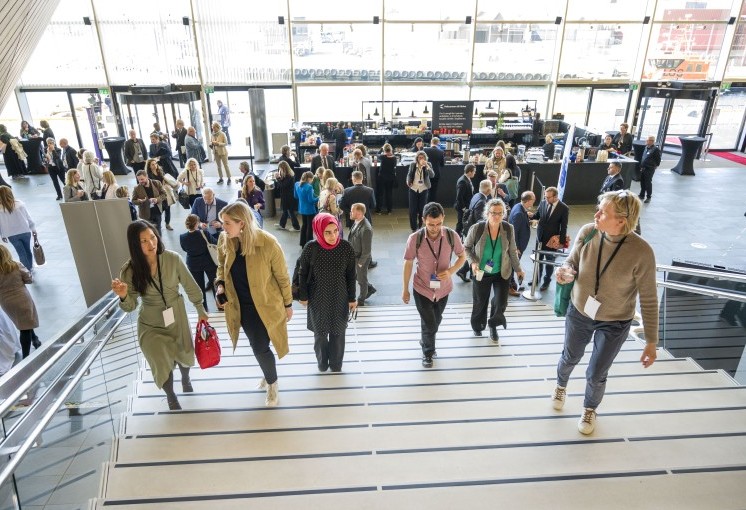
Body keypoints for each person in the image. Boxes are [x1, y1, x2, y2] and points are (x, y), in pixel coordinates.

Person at [552, 191, 658, 434]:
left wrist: (651, 341)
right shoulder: (588, 231)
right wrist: (566, 271)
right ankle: (560, 384)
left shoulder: (641, 252)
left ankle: (589, 408)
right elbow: (571, 261)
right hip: (580, 311)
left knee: (597, 372)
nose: (596, 214)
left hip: (616, 321)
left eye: (603, 212)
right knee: (570, 356)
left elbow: (650, 298)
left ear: (622, 220)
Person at [112, 220, 208, 410]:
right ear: (135, 245)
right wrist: (123, 296)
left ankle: (186, 378)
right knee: (160, 359)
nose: (151, 244)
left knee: (184, 353)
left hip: (177, 315)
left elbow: (190, 285)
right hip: (150, 323)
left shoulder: (172, 259)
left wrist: (200, 309)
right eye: (144, 241)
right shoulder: (129, 271)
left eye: (153, 237)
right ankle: (171, 396)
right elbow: (130, 306)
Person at [215, 201, 292, 405]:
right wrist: (220, 284)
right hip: (243, 307)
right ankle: (268, 373)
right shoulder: (226, 239)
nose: (223, 227)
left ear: (242, 223)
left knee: (259, 348)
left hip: (267, 304)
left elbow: (283, 277)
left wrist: (288, 304)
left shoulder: (268, 243)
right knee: (260, 346)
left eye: (227, 223)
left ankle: (272, 383)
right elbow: (221, 266)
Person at [403, 202, 466, 368]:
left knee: (435, 320)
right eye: (431, 224)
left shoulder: (452, 236)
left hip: (443, 288)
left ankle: (425, 339)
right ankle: (428, 353)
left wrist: (451, 271)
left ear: (443, 218)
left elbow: (462, 257)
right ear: (423, 219)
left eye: (439, 223)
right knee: (430, 323)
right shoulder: (414, 239)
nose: (435, 228)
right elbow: (408, 263)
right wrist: (405, 289)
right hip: (422, 288)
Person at [298, 213, 356, 372]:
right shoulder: (311, 248)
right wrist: (303, 296)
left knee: (338, 333)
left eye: (336, 231)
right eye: (328, 232)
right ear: (318, 231)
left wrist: (352, 298)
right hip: (317, 298)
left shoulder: (346, 247)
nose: (333, 236)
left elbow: (351, 275)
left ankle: (336, 364)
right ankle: (322, 363)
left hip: (340, 297)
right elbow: (302, 274)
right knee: (320, 334)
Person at [465, 198, 525, 340]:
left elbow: (512, 251)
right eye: (493, 213)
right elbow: (466, 248)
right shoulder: (477, 228)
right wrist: (473, 262)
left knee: (501, 302)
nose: (496, 216)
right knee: (480, 301)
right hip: (481, 272)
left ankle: (493, 325)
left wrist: (518, 269)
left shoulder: (508, 228)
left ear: (504, 213)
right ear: (487, 213)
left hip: (501, 272)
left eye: (500, 213)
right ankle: (478, 326)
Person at [0, 245, 39, 358]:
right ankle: (26, 357)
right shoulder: (16, 265)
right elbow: (29, 279)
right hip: (22, 299)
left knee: (23, 322)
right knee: (24, 328)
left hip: (6, 303)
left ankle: (35, 338)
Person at [456, 179, 493, 282]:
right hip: (475, 231)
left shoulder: (477, 195)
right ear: (489, 190)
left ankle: (464, 271)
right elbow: (479, 219)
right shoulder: (482, 201)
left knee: (473, 252)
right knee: (475, 253)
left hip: (469, 228)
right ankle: (470, 273)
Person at [533, 186, 569, 291]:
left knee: (549, 262)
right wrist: (530, 216)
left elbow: (564, 226)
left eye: (548, 197)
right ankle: (536, 279)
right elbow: (537, 215)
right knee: (538, 259)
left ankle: (546, 281)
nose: (546, 199)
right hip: (540, 237)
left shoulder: (563, 208)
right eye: (545, 197)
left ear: (555, 197)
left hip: (551, 241)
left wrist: (561, 242)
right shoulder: (543, 203)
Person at [179, 214, 217, 312]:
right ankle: (219, 305)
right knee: (214, 283)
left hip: (193, 264)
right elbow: (215, 243)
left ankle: (204, 309)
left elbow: (184, 249)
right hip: (208, 262)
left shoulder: (182, 237)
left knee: (199, 287)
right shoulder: (204, 233)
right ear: (197, 224)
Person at [0, 186, 36, 271]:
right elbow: (28, 218)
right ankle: (30, 268)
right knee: (28, 250)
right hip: (25, 231)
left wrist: (3, 235)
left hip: (11, 234)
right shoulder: (20, 204)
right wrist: (33, 229)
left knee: (21, 253)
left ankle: (26, 271)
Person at [348, 203, 375, 306]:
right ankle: (370, 288)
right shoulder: (357, 221)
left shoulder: (366, 229)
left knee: (361, 280)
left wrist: (360, 263)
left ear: (359, 213)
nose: (350, 212)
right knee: (357, 276)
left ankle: (361, 299)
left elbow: (367, 250)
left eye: (352, 211)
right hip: (354, 256)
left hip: (360, 259)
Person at [508, 191, 535, 293]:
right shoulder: (519, 213)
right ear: (528, 201)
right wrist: (517, 248)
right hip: (517, 247)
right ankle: (510, 287)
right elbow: (514, 232)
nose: (534, 202)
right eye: (533, 200)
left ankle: (512, 282)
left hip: (517, 246)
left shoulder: (518, 206)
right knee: (512, 265)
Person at [406, 150, 435, 232]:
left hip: (423, 189)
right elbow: (409, 174)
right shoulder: (413, 165)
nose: (421, 159)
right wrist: (408, 181)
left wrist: (427, 167)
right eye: (419, 157)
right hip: (413, 189)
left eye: (422, 157)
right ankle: (413, 228)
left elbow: (432, 175)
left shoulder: (428, 165)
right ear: (417, 158)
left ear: (425, 158)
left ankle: (420, 226)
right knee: (412, 210)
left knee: (422, 209)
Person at [131, 170, 167, 234]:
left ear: (147, 176)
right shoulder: (137, 188)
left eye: (142, 179)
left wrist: (157, 199)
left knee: (158, 231)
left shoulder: (157, 183)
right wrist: (139, 201)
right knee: (148, 232)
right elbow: (133, 201)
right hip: (145, 214)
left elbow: (164, 194)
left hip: (157, 212)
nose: (140, 181)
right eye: (139, 180)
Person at [146, 158, 176, 230]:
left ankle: (167, 224)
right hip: (157, 195)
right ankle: (159, 223)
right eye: (152, 164)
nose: (155, 166)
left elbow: (164, 179)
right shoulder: (149, 175)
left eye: (155, 164)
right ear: (149, 166)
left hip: (164, 193)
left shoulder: (160, 171)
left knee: (168, 209)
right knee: (159, 211)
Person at [273, 161, 300, 231]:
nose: (279, 170)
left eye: (280, 169)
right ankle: (282, 225)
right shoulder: (287, 175)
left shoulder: (289, 176)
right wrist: (279, 178)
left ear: (283, 168)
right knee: (285, 211)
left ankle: (296, 227)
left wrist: (278, 178)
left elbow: (283, 185)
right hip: (286, 196)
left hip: (288, 197)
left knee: (290, 211)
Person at [295, 171, 318, 247]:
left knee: (304, 225)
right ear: (309, 179)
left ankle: (303, 243)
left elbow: (296, 196)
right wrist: (318, 198)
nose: (312, 181)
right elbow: (311, 200)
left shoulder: (297, 184)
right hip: (310, 210)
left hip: (302, 208)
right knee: (310, 227)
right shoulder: (309, 187)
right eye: (312, 179)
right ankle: (309, 244)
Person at [454, 164, 476, 237]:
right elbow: (459, 197)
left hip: (467, 206)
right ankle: (456, 237)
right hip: (462, 208)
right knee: (460, 223)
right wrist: (464, 208)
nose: (475, 173)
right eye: (474, 172)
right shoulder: (462, 181)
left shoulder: (467, 179)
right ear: (469, 172)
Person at [375, 143, 396, 215]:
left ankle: (378, 210)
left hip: (382, 178)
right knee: (389, 194)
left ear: (384, 150)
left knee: (380, 194)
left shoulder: (383, 157)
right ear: (391, 149)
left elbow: (377, 155)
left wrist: (381, 149)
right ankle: (389, 210)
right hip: (390, 178)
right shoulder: (394, 158)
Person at [639, 135, 661, 203]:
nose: (646, 141)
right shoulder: (646, 147)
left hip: (649, 169)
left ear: (652, 141)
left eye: (648, 140)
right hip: (643, 168)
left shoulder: (655, 149)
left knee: (648, 183)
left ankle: (648, 196)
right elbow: (644, 157)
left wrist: (655, 166)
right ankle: (642, 195)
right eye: (647, 140)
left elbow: (658, 159)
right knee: (642, 182)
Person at [424, 137, 445, 203]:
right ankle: (432, 205)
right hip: (436, 174)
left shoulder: (425, 150)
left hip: (426, 172)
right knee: (433, 191)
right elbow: (442, 164)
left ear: (431, 142)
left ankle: (424, 205)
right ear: (438, 143)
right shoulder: (441, 152)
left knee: (425, 189)